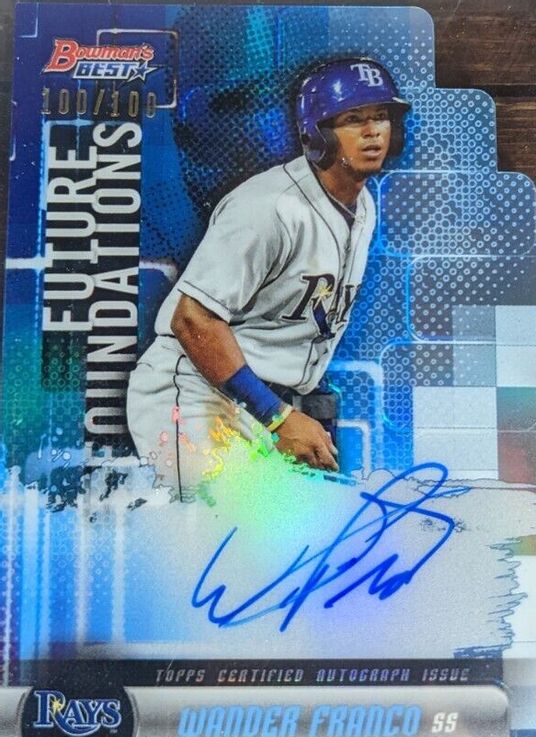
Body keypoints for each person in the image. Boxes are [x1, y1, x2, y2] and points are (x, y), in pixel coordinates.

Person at [127, 57, 410, 499]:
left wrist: (285, 414)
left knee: (295, 529)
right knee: (223, 524)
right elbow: (192, 320)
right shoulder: (268, 208)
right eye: (354, 119)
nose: (373, 131)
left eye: (381, 116)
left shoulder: (363, 206)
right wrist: (278, 417)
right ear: (317, 133)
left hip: (259, 402)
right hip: (193, 389)